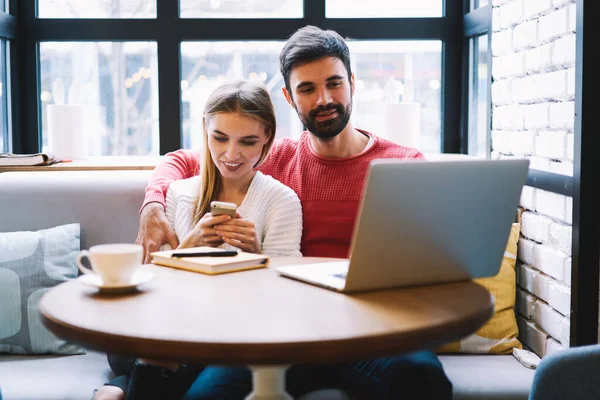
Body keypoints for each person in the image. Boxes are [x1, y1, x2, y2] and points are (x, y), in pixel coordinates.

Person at [134, 25, 452, 399]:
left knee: (423, 377)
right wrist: (152, 204)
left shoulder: (405, 164)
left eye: (334, 83)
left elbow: (429, 258)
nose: (323, 99)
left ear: (352, 82)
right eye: (307, 89)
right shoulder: (275, 155)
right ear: (288, 97)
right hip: (286, 329)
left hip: (372, 329)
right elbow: (186, 160)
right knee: (210, 394)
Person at [93, 80, 303, 400]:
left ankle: (126, 385)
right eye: (220, 138)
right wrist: (186, 247)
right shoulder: (181, 192)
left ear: (266, 139)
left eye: (247, 142)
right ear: (205, 129)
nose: (231, 155)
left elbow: (289, 298)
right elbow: (156, 287)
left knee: (129, 378)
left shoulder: (281, 200)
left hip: (237, 332)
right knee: (128, 347)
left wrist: (258, 255)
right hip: (178, 323)